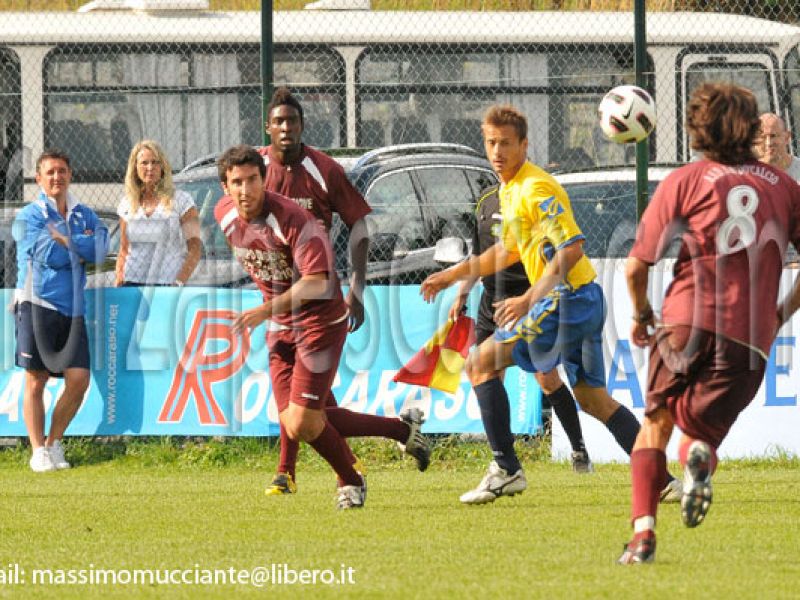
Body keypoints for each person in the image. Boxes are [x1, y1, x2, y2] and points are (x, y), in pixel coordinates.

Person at [421, 105, 681, 505]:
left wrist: (528, 297)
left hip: (569, 300)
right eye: (491, 142)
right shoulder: (510, 189)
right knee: (594, 400)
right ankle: (662, 480)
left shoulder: (536, 188)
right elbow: (508, 251)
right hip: (583, 299)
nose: (497, 151)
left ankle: (506, 469)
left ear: (525, 145)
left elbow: (572, 248)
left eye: (506, 143)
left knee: (479, 363)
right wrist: (453, 275)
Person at [618, 83, 800, 565]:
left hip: (684, 322)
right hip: (750, 341)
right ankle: (697, 461)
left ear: (701, 126)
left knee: (655, 422)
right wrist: (779, 314)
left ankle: (642, 537)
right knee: (699, 436)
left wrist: (642, 315)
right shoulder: (785, 189)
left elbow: (636, 267)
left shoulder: (685, 179)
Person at [214, 145, 430, 509]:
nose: (245, 189)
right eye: (237, 182)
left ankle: (351, 480)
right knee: (301, 422)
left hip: (319, 322)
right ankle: (400, 430)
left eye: (252, 180)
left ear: (263, 180)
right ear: (225, 188)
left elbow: (316, 281)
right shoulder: (223, 215)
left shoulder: (295, 219)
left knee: (303, 421)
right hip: (282, 325)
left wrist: (266, 309)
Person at [257, 87, 372, 496]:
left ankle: (293, 471)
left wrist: (358, 286)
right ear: (267, 127)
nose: (286, 128)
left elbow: (359, 225)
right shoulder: (255, 171)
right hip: (278, 298)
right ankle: (395, 433)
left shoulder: (324, 169)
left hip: (319, 298)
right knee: (305, 403)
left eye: (293, 121)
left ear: (302, 125)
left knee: (305, 406)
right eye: (279, 121)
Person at [448, 183, 593, 474]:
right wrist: (463, 292)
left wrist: (535, 297)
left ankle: (579, 450)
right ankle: (503, 459)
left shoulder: (532, 196)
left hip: (526, 300)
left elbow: (555, 248)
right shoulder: (486, 200)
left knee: (546, 377)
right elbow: (478, 255)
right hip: (492, 303)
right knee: (486, 376)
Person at [12, 149, 109, 472]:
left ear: (70, 175)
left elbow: (100, 251)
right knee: (36, 379)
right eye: (50, 172)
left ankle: (54, 443)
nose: (57, 177)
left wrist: (69, 241)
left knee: (79, 379)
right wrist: (77, 245)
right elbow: (48, 254)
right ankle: (37, 450)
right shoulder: (29, 215)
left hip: (74, 307)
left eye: (62, 171)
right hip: (37, 302)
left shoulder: (84, 214)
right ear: (39, 178)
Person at [115, 140, 201, 287]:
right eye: (144, 163)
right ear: (135, 167)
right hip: (132, 284)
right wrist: (119, 279)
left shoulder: (181, 200)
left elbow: (195, 249)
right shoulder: (126, 203)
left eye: (155, 162)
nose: (150, 168)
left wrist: (179, 281)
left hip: (167, 285)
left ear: (163, 167)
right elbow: (124, 250)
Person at [754, 112, 800, 181]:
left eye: (773, 136)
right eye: (762, 137)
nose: (768, 143)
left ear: (786, 138)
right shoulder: (748, 177)